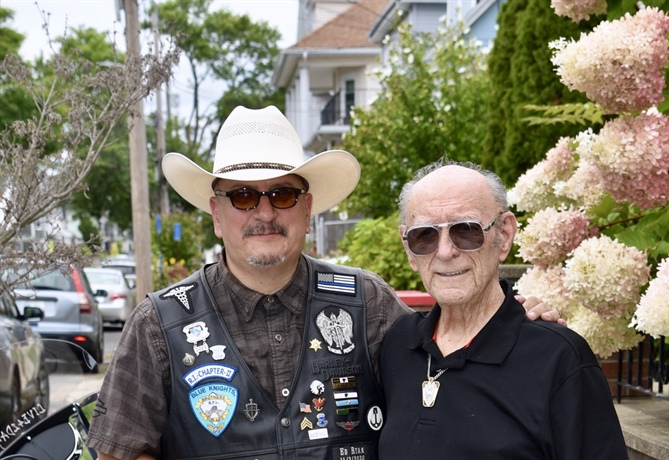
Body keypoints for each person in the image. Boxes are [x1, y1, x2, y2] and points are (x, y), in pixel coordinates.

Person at [86, 105, 559, 460]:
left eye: (283, 194)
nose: (265, 212)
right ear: (216, 213)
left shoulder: (367, 302)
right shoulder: (159, 324)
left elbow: (452, 369)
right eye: (244, 196)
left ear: (308, 208)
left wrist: (513, 319)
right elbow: (119, 452)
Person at [378, 160, 628, 459]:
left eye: (466, 230)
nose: (445, 252)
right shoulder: (396, 345)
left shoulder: (559, 359)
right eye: (425, 235)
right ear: (408, 248)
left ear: (504, 234)